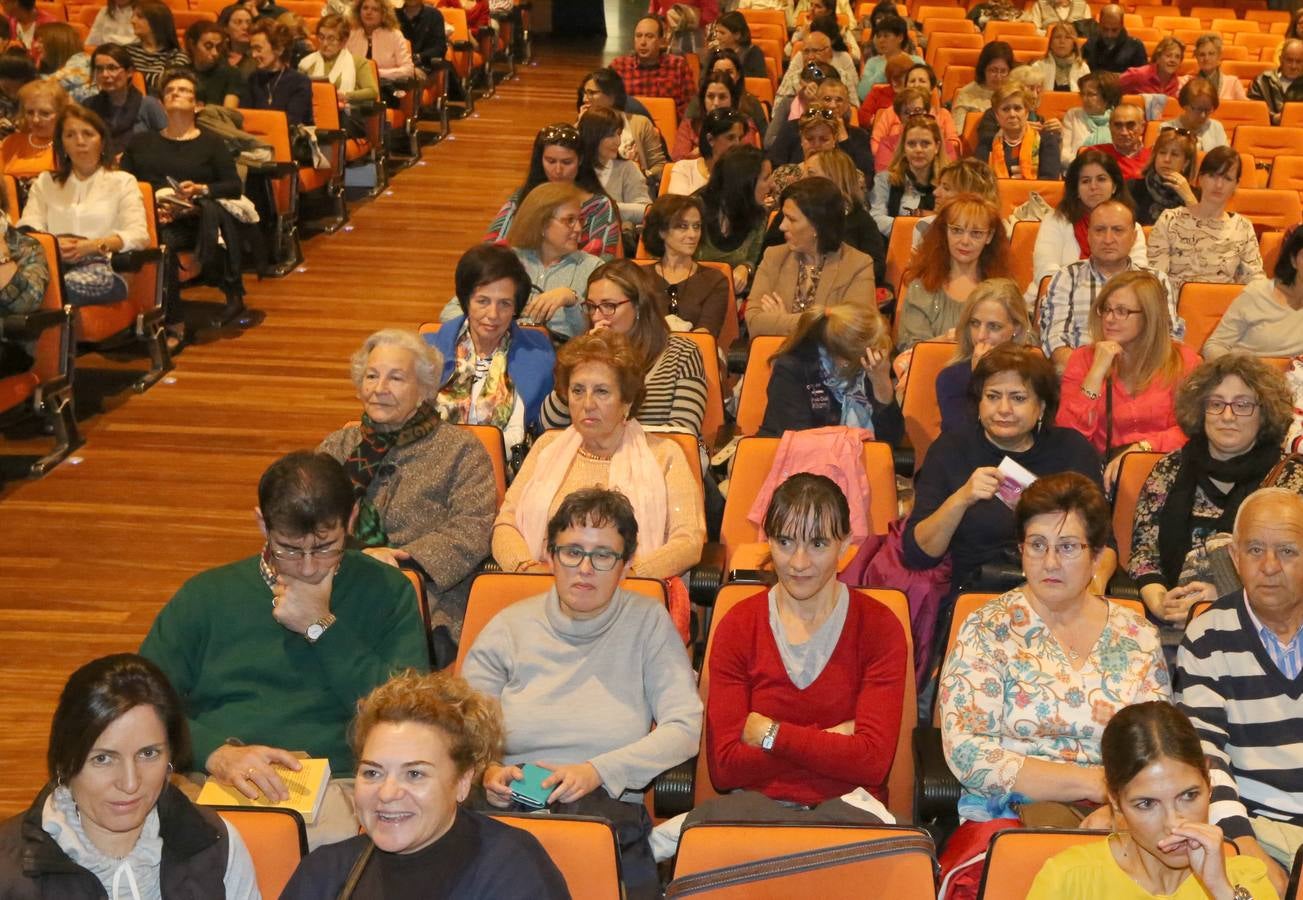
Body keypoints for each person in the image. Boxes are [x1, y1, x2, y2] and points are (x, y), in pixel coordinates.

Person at [140, 450, 431, 847]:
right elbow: (141, 706)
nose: (309, 567)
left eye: (326, 546)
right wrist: (214, 753)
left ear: (351, 518)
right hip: (215, 778)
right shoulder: (205, 596)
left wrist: (321, 626)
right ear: (262, 523)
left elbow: (408, 714)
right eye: (290, 549)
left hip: (339, 783)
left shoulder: (388, 592)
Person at [938, 473, 1169, 896]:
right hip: (1007, 818)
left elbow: (1156, 751)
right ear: (1021, 549)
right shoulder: (988, 629)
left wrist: (1119, 812)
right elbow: (970, 752)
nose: (1050, 562)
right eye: (1037, 545)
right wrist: (1096, 785)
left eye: (1067, 547)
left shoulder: (1137, 636)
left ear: (1097, 555)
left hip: (1121, 820)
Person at [470, 487, 701, 900]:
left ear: (627, 564)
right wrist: (487, 771)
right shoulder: (509, 627)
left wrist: (598, 770)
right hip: (507, 808)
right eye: (572, 551)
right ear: (549, 556)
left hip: (601, 815)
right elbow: (459, 728)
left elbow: (684, 726)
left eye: (603, 555)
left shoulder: (647, 623)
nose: (585, 569)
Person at [692, 474, 906, 823]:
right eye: (786, 542)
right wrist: (833, 739)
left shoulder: (879, 627)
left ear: (846, 543)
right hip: (754, 810)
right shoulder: (739, 623)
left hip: (850, 810)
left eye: (818, 544)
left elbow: (873, 763)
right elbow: (725, 767)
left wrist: (768, 734)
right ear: (769, 541)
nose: (799, 562)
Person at [280, 670, 568, 899]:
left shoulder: (513, 870)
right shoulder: (326, 873)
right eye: (372, 773)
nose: (388, 793)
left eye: (414, 774)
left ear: (462, 783)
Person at [0, 654, 260, 897]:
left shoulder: (216, 845)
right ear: (65, 763)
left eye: (148, 754)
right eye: (102, 759)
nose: (130, 783)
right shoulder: (9, 873)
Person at [318, 329, 496, 653]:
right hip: (334, 586)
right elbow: (304, 517)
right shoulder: (338, 446)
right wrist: (355, 555)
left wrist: (401, 559)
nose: (379, 389)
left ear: (424, 390)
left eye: (396, 379)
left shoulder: (460, 450)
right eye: (371, 376)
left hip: (426, 603)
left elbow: (474, 526)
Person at [1175, 487, 1303, 892]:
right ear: (1234, 557)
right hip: (1254, 826)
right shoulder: (1207, 636)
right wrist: (1247, 848)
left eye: (1287, 551)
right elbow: (1206, 758)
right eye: (1254, 550)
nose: (1269, 566)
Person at [904, 346, 1104, 595]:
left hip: (1063, 592)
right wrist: (961, 499)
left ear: (1041, 406)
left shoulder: (1072, 450)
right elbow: (918, 555)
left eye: (1018, 398)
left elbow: (1104, 542)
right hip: (979, 594)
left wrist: (1091, 591)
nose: (1003, 409)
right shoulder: (950, 449)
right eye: (993, 396)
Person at [1026, 701, 1276, 899]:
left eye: (1189, 796)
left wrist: (1221, 890)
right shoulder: (1071, 879)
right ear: (1114, 800)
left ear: (1209, 786)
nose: (1173, 824)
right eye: (1146, 804)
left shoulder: (1244, 877)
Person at [1129, 355, 1301, 631]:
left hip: (1262, 623)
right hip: (1169, 621)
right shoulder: (1169, 469)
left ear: (1265, 412)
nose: (1228, 416)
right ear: (1200, 410)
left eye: (1242, 405)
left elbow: (1293, 567)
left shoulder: (1291, 479)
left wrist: (1221, 594)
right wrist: (1161, 601)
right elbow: (1144, 554)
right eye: (1216, 404)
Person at [120, 69, 248, 329]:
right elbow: (123, 185)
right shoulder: (140, 142)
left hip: (192, 219)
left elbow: (233, 186)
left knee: (164, 243)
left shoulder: (211, 143)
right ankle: (126, 311)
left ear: (198, 105)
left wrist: (200, 190)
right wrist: (152, 206)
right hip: (148, 216)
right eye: (169, 90)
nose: (175, 93)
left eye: (184, 90)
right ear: (161, 102)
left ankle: (173, 321)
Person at [1057, 271, 1202, 489]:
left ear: (1149, 316)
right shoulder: (1084, 359)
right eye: (1106, 309)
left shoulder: (1184, 361)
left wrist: (1142, 449)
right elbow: (1069, 438)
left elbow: (1194, 429)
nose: (1109, 318)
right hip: (1101, 476)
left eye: (1122, 311)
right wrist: (1096, 372)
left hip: (1167, 467)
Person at [539, 262, 710, 433]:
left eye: (609, 306)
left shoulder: (682, 354)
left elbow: (684, 431)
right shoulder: (585, 355)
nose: (597, 316)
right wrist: (580, 360)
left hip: (655, 457)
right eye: (591, 307)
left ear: (638, 306)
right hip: (593, 456)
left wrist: (612, 441)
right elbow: (550, 425)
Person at [428, 244, 554, 459]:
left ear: (516, 307)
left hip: (507, 474)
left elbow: (544, 435)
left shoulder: (539, 355)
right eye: (483, 301)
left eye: (504, 304)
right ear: (466, 300)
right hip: (430, 468)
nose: (493, 314)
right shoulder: (426, 351)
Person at [17, 106, 149, 308]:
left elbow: (138, 235)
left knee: (52, 289)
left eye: (88, 134)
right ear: (62, 145)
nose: (80, 141)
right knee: (23, 286)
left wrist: (93, 246)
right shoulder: (45, 182)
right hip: (51, 266)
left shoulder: (122, 181)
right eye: (70, 135)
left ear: (102, 141)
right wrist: (53, 245)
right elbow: (27, 228)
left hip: (103, 269)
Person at [1039, 199, 1177, 371]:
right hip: (1079, 378)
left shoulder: (1156, 280)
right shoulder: (1067, 277)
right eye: (1099, 230)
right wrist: (1096, 374)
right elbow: (1056, 344)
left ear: (1134, 237)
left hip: (1141, 381)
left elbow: (1168, 340)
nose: (1108, 239)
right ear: (1088, 235)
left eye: (1118, 230)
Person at [746, 176, 875, 338]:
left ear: (817, 226)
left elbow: (857, 330)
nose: (782, 226)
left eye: (791, 219)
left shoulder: (857, 265)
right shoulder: (774, 257)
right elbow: (754, 323)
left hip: (830, 362)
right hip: (774, 359)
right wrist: (821, 319)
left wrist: (781, 319)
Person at [758, 304, 902, 441]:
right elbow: (799, 444)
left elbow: (891, 441)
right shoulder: (792, 368)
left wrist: (882, 383)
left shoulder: (873, 369)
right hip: (796, 460)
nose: (880, 358)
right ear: (846, 360)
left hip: (855, 460)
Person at [483, 181, 601, 339]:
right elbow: (452, 311)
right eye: (569, 220)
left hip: (562, 355)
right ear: (542, 224)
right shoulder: (506, 261)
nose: (579, 228)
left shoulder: (593, 268)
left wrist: (571, 300)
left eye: (580, 220)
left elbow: (590, 332)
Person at [485, 122, 620, 260]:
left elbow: (604, 261)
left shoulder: (599, 206)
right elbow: (491, 247)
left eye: (567, 162)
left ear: (580, 160)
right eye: (550, 161)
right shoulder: (523, 198)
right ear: (540, 160)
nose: (558, 170)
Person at [1148, 146, 1266, 299]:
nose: (1218, 185)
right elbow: (1155, 279)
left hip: (1223, 312)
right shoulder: (1170, 219)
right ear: (1200, 178)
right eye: (1212, 176)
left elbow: (1255, 280)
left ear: (1236, 184)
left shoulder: (1243, 227)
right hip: (1173, 312)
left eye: (1227, 178)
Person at [896, 195, 1009, 352]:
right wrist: (943, 341)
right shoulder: (921, 287)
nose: (965, 241)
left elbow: (1024, 339)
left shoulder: (1004, 291)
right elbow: (910, 349)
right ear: (945, 232)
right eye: (956, 230)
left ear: (989, 236)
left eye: (976, 233)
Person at [936, 278, 1034, 433]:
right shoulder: (950, 378)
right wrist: (979, 379)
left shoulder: (1036, 374)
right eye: (975, 323)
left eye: (994, 326)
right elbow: (962, 436)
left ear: (1016, 328)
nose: (981, 336)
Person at [786, 148, 885, 284]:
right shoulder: (789, 215)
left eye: (810, 174)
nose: (802, 180)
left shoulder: (861, 220)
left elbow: (876, 268)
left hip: (843, 291)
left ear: (834, 178)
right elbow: (769, 258)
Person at [1205, 226, 1303, 360]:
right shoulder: (1257, 293)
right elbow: (1215, 346)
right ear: (1293, 260)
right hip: (1244, 375)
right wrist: (1238, 373)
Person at [642, 193, 731, 337]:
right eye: (682, 226)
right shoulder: (639, 277)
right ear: (662, 231)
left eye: (696, 226)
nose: (693, 234)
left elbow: (706, 332)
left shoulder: (714, 280)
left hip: (695, 354)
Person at [768, 76, 873, 188]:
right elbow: (774, 164)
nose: (833, 105)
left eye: (839, 100)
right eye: (827, 99)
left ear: (848, 105)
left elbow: (866, 180)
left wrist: (843, 139)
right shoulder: (792, 128)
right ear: (817, 100)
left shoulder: (860, 136)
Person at [696, 144, 767, 296]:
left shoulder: (758, 213)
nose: (772, 185)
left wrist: (745, 267)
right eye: (765, 178)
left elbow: (752, 258)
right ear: (744, 182)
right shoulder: (694, 210)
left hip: (733, 297)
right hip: (693, 295)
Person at [577, 67, 668, 183]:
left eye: (592, 93)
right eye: (584, 93)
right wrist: (580, 125)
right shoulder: (581, 124)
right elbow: (574, 161)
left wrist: (642, 175)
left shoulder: (640, 123)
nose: (585, 99)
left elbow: (660, 166)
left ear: (612, 96)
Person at [84, 44, 165, 160]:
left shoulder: (148, 105)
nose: (105, 75)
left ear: (129, 72)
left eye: (112, 68)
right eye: (99, 69)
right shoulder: (89, 106)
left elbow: (167, 144)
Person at [583, 104, 652, 237]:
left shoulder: (627, 168)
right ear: (593, 136)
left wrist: (605, 208)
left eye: (619, 134)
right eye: (611, 136)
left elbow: (646, 209)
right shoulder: (575, 167)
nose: (618, 141)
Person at [771, 19, 859, 122]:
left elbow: (854, 109)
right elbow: (776, 112)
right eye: (806, 52)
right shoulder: (793, 78)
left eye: (816, 51)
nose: (810, 57)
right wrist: (801, 101)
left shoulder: (844, 77)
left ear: (829, 52)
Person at [869, 111, 940, 238]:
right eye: (911, 144)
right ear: (904, 147)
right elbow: (876, 218)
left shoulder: (948, 183)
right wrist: (914, 230)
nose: (918, 150)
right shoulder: (885, 179)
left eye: (925, 143)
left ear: (937, 147)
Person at [870, 71, 960, 169]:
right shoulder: (887, 145)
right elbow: (884, 178)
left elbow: (950, 178)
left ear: (927, 112)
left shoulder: (945, 146)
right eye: (906, 112)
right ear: (899, 117)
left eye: (918, 110)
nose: (912, 116)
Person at [975, 83, 1063, 181]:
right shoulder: (986, 144)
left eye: (1017, 108)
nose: (1012, 114)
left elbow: (1049, 183)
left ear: (1026, 112)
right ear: (996, 115)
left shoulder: (1047, 141)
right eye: (1005, 109)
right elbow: (979, 182)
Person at [611, 15, 694, 117]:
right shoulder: (619, 66)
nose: (643, 42)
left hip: (668, 127)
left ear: (661, 41)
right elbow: (607, 101)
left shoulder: (678, 66)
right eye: (639, 36)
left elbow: (690, 107)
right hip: (628, 127)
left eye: (649, 36)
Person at [910, 158, 999, 249]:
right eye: (939, 185)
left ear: (970, 195)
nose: (935, 193)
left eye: (946, 188)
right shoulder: (926, 227)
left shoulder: (999, 233)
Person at [671, 71, 757, 161]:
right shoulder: (689, 125)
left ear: (732, 100)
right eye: (710, 96)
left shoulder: (744, 125)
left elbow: (747, 160)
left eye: (722, 97)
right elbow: (677, 160)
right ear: (703, 100)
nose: (716, 103)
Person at [246, 19, 313, 126]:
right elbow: (245, 118)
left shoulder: (299, 82)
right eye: (252, 49)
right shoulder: (253, 79)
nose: (253, 55)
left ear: (279, 49)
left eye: (258, 49)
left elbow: (292, 122)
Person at [667, 106, 746, 196]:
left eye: (740, 138)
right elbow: (679, 207)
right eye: (730, 137)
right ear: (710, 139)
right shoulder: (684, 169)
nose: (737, 144)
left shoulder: (743, 173)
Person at [1128, 129, 1198, 227]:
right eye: (1162, 152)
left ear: (1185, 163)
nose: (1167, 159)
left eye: (1174, 154)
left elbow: (1201, 233)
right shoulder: (1132, 187)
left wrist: (1189, 199)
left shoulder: (1196, 196)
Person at [347, 0, 415, 96]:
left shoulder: (395, 35)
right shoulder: (351, 34)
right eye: (365, 8)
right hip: (354, 86)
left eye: (375, 9)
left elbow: (408, 70)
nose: (368, 12)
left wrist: (377, 73)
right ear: (359, 11)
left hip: (384, 89)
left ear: (383, 14)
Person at [0, 78, 63, 177]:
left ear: (61, 114)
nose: (35, 120)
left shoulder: (66, 146)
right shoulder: (10, 142)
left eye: (45, 113)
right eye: (30, 112)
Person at [124, 1, 190, 94]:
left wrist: (135, 78)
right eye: (133, 16)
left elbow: (170, 83)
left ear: (155, 22)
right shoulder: (126, 52)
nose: (132, 21)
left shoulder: (177, 56)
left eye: (139, 17)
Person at [951, 40, 1014, 133]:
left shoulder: (1014, 93)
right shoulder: (966, 94)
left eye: (1003, 71)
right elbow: (957, 132)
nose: (998, 76)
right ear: (983, 69)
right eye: (993, 70)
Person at [855, 13, 921, 99]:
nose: (881, 40)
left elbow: (924, 91)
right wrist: (886, 69)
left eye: (886, 36)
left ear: (900, 37)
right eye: (878, 36)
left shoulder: (916, 62)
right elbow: (862, 94)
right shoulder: (872, 63)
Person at [1061, 71, 1119, 167]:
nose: (1085, 99)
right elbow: (1064, 155)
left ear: (1106, 97)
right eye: (1083, 94)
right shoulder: (1073, 115)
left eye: (1091, 94)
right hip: (1076, 171)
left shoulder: (1118, 118)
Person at [1085, 101, 1150, 180]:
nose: (1124, 132)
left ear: (1142, 127)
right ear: (1110, 127)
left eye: (1130, 125)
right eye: (1118, 125)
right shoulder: (1095, 153)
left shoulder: (1152, 159)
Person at [187, 21, 245, 109]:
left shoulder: (232, 74)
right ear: (192, 45)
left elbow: (228, 114)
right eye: (208, 46)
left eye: (218, 47)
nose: (215, 53)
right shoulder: (181, 74)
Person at [1162, 76, 1228, 151]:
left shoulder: (1216, 127)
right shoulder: (1167, 129)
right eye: (1199, 109)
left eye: (1207, 110)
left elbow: (1225, 160)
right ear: (1185, 106)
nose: (1203, 115)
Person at [1248, 38, 1303, 126]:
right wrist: (1272, 118)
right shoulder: (1262, 81)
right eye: (1289, 60)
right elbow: (1252, 110)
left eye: (1299, 61)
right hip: (1266, 131)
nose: (1293, 66)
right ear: (1281, 60)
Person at [33, 22, 92, 102]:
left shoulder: (82, 61)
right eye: (36, 41)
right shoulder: (50, 67)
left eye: (41, 42)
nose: (35, 46)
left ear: (57, 43)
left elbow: (45, 86)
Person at [1082, 3, 1147, 74]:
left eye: (1114, 30)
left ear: (1121, 26)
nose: (1109, 35)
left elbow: (1141, 78)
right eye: (1105, 29)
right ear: (1100, 24)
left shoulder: (1136, 46)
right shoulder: (1091, 43)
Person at [1182, 34, 1248, 102]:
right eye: (1202, 54)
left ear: (1219, 56)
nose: (1206, 58)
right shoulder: (1186, 82)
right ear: (1196, 57)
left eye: (1211, 53)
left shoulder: (1233, 83)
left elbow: (1246, 108)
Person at [706, 10, 766, 80]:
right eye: (716, 32)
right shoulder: (715, 53)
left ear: (737, 35)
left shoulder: (753, 53)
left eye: (722, 33)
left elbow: (756, 82)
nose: (718, 37)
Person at [1031, 22, 1089, 93]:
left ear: (1074, 44)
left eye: (1067, 37)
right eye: (1057, 37)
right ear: (1051, 43)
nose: (1062, 41)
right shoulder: (1038, 66)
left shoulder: (1083, 68)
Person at [1119, 37, 1184, 98]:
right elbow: (1113, 88)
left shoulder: (1177, 85)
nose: (1173, 60)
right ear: (1158, 58)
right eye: (1168, 55)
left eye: (1177, 57)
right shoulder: (1138, 74)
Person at [396, 0, 446, 74]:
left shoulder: (434, 15)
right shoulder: (393, 16)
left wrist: (419, 57)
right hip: (395, 66)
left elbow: (440, 48)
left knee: (406, 78)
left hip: (423, 67)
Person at [220, 4, 254, 75]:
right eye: (238, 22)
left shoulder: (258, 56)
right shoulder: (218, 56)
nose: (245, 27)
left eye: (249, 22)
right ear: (225, 28)